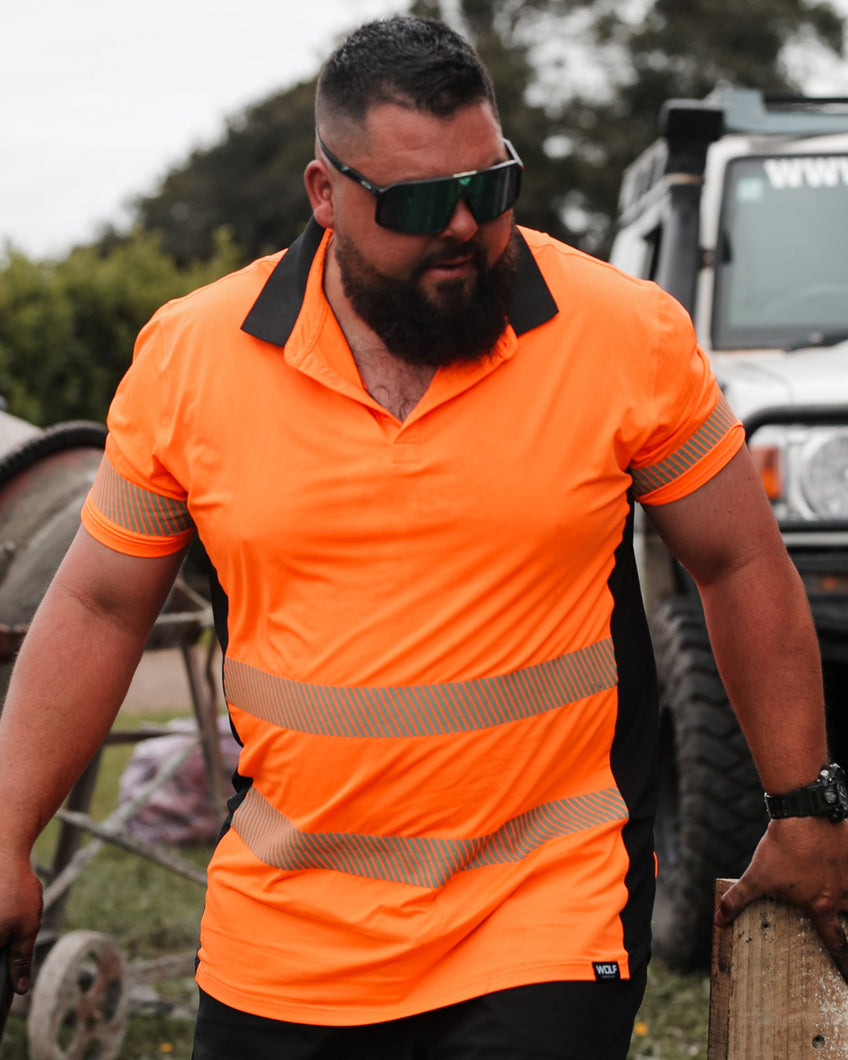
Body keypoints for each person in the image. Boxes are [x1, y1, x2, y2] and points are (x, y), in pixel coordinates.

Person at [1, 14, 847, 1059]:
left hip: (544, 908)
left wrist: (802, 802)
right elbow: (98, 601)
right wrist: (5, 834)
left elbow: (736, 558)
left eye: (487, 188)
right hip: (283, 921)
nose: (461, 227)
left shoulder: (623, 335)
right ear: (325, 195)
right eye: (413, 203)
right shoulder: (190, 359)